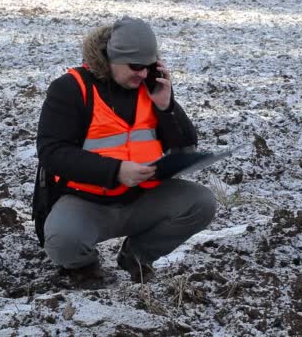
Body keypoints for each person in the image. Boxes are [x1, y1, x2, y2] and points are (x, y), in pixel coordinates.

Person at [35, 16, 216, 287]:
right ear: (111, 58)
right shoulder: (71, 89)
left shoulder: (151, 88)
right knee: (63, 241)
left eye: (148, 66)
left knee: (201, 202)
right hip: (87, 202)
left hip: (143, 197)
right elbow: (52, 152)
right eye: (135, 66)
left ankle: (136, 258)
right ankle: (84, 267)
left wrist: (167, 108)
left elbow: (186, 145)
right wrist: (115, 171)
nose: (142, 74)